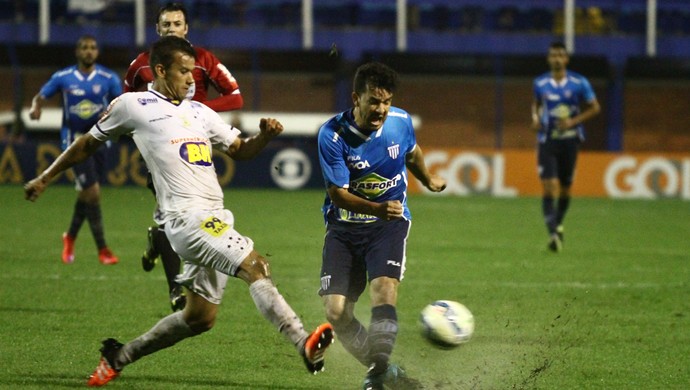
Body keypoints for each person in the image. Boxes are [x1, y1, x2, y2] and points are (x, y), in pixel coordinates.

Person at [24, 35, 333, 387]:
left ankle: (118, 355)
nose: (191, 79)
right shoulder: (133, 104)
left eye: (193, 72)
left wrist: (264, 137)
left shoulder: (200, 112)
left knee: (200, 318)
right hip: (186, 220)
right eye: (184, 72)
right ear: (159, 70)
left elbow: (240, 150)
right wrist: (45, 178)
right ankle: (302, 341)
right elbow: (85, 145)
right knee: (255, 265)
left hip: (214, 216)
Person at [316, 62, 446, 390]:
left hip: (388, 226)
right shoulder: (332, 135)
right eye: (374, 101)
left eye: (387, 101)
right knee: (336, 312)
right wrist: (377, 208)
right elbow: (339, 195)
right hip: (344, 228)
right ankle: (388, 373)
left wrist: (428, 179)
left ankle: (377, 373)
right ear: (356, 98)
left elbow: (412, 153)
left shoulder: (400, 122)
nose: (381, 109)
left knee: (384, 288)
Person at [125, 1, 244, 312]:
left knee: (193, 215)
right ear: (157, 29)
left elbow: (235, 96)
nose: (171, 29)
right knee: (171, 214)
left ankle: (161, 243)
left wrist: (199, 112)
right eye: (166, 25)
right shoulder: (141, 64)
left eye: (176, 24)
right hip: (164, 150)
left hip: (196, 149)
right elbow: (127, 98)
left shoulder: (204, 60)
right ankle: (176, 290)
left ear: (186, 28)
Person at [29, 35, 122, 265]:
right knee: (92, 193)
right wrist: (36, 108)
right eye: (84, 48)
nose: (88, 51)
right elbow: (41, 96)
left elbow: (121, 103)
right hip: (73, 143)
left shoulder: (108, 78)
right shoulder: (64, 77)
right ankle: (103, 249)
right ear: (77, 52)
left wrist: (110, 113)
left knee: (86, 195)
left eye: (92, 47)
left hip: (99, 141)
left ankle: (69, 237)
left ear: (97, 52)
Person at [531, 41, 601, 252]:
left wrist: (573, 121)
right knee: (550, 186)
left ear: (566, 59)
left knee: (566, 189)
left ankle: (558, 224)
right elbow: (536, 104)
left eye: (560, 55)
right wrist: (535, 118)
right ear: (548, 58)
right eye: (553, 55)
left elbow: (595, 107)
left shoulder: (579, 82)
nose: (557, 59)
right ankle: (553, 232)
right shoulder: (540, 83)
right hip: (548, 140)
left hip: (570, 140)